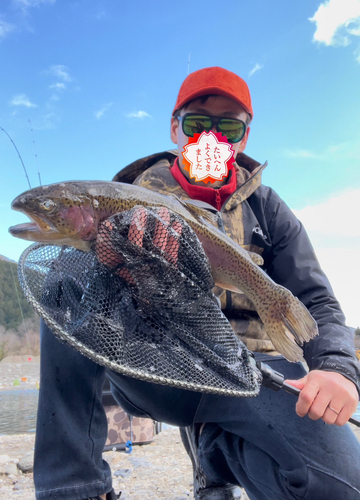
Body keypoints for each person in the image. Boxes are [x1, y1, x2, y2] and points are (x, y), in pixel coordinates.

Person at [34, 67, 360, 500]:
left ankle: (218, 450)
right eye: (197, 123)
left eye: (228, 125)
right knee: (66, 273)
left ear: (244, 137)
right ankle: (74, 487)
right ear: (175, 127)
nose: (213, 135)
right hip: (158, 366)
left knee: (340, 488)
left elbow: (316, 298)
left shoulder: (268, 208)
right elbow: (86, 303)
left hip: (256, 373)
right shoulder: (123, 194)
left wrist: (337, 368)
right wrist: (118, 267)